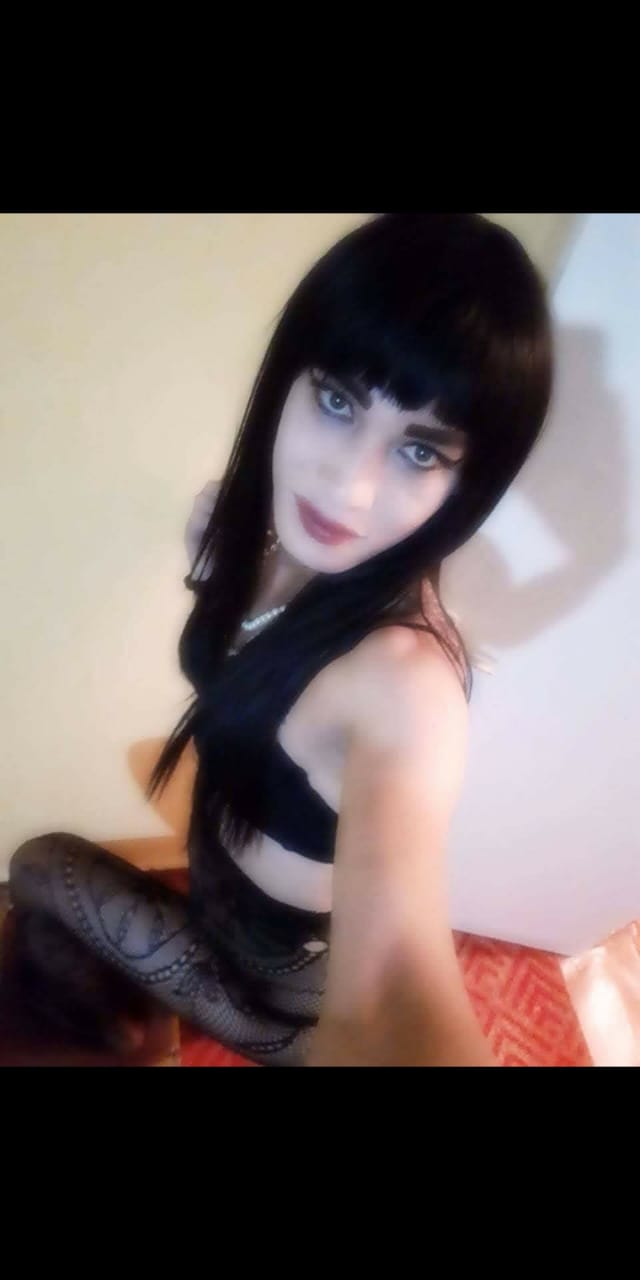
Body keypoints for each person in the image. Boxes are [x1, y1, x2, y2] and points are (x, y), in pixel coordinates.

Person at [6, 214, 552, 1066]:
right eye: (338, 401)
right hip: (212, 888)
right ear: (288, 377)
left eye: (419, 451)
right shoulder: (252, 529)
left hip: (286, 987)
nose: (348, 487)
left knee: (39, 866)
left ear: (468, 485)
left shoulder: (404, 686)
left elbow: (392, 1000)